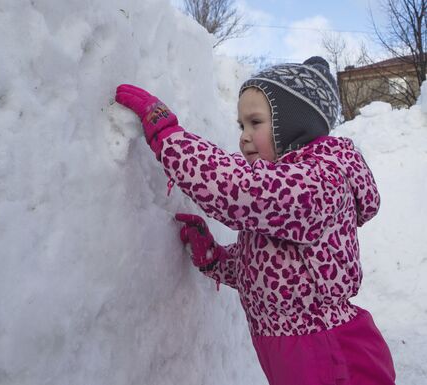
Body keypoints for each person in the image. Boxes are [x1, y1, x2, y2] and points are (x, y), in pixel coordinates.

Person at [115, 56, 396, 385]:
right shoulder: (286, 198)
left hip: (330, 355)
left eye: (255, 122)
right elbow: (271, 271)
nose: (244, 137)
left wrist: (169, 137)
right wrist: (216, 259)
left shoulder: (319, 182)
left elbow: (241, 190)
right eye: (241, 126)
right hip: (294, 355)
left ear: (293, 126)